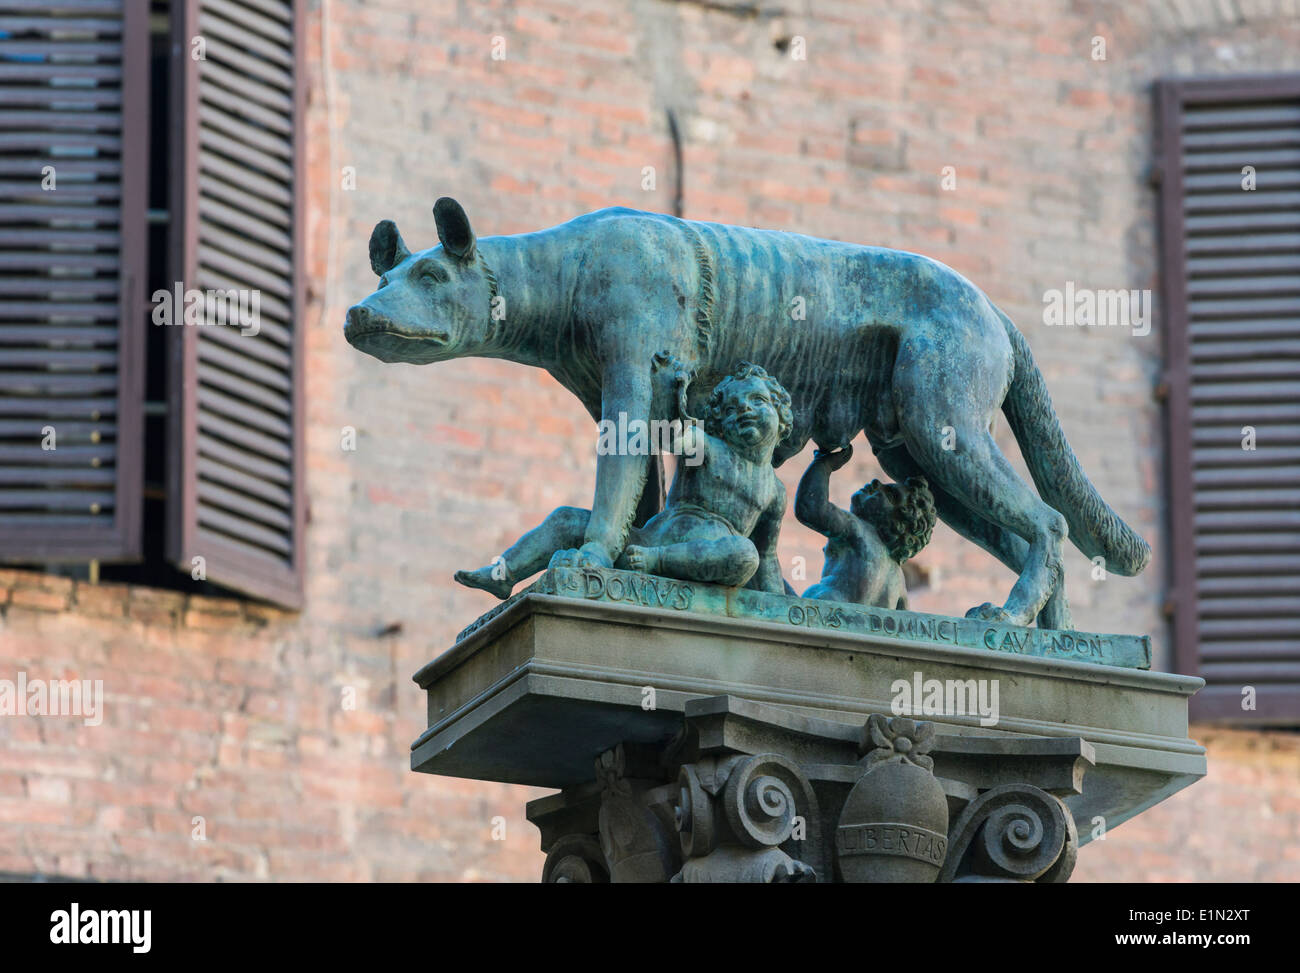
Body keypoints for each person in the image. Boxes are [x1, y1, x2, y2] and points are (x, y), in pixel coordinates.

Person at [455, 361, 793, 597]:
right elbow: (673, 434)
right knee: (567, 520)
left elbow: (767, 556)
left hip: (702, 559)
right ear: (720, 421)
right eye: (732, 408)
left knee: (745, 555)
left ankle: (655, 564)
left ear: (781, 415)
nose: (744, 409)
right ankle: (504, 574)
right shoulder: (709, 448)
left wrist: (780, 609)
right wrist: (668, 392)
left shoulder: (775, 492)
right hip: (646, 542)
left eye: (757, 400)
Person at [795, 444, 936, 610]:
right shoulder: (898, 580)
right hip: (861, 632)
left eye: (890, 495)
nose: (877, 483)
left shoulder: (859, 531)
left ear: (897, 525)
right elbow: (903, 625)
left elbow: (811, 509)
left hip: (826, 613)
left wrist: (823, 465)